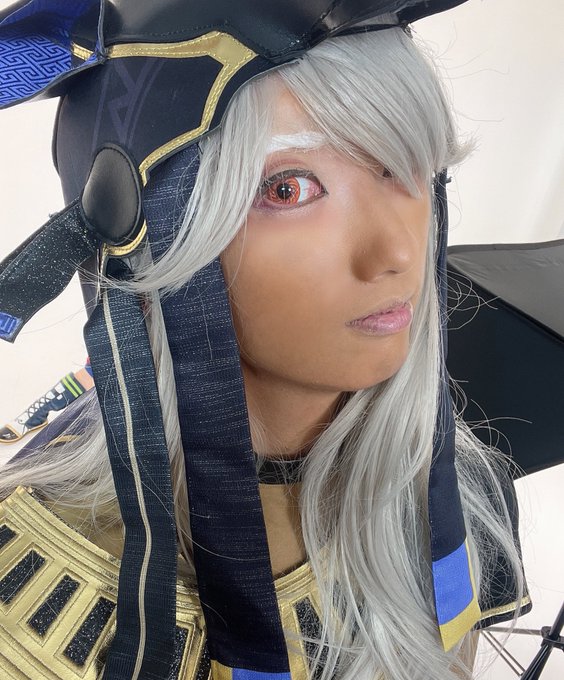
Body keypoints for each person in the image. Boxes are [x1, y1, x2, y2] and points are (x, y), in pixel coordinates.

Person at [0, 5, 530, 680]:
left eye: (407, 168)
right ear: (147, 230)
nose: (396, 253)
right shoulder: (29, 579)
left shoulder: (460, 498)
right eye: (290, 187)